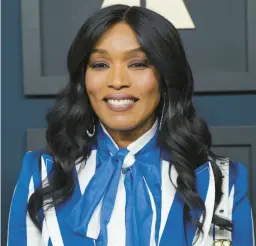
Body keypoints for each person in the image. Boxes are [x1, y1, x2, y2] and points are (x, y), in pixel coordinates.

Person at [7, 4, 255, 246]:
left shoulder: (221, 183)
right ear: (84, 79)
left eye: (138, 64)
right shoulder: (41, 174)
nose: (117, 81)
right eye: (100, 65)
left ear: (165, 76)